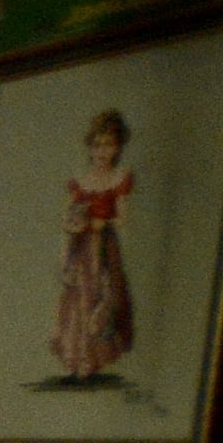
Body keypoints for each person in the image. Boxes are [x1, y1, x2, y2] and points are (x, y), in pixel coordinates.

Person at [52, 107, 136, 384]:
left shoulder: (119, 178)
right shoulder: (81, 182)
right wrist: (66, 253)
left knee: (101, 295)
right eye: (98, 144)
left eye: (109, 144)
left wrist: (104, 221)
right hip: (81, 248)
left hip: (103, 248)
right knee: (77, 299)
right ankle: (77, 360)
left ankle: (94, 358)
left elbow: (123, 219)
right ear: (90, 147)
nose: (102, 151)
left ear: (118, 147)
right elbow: (69, 219)